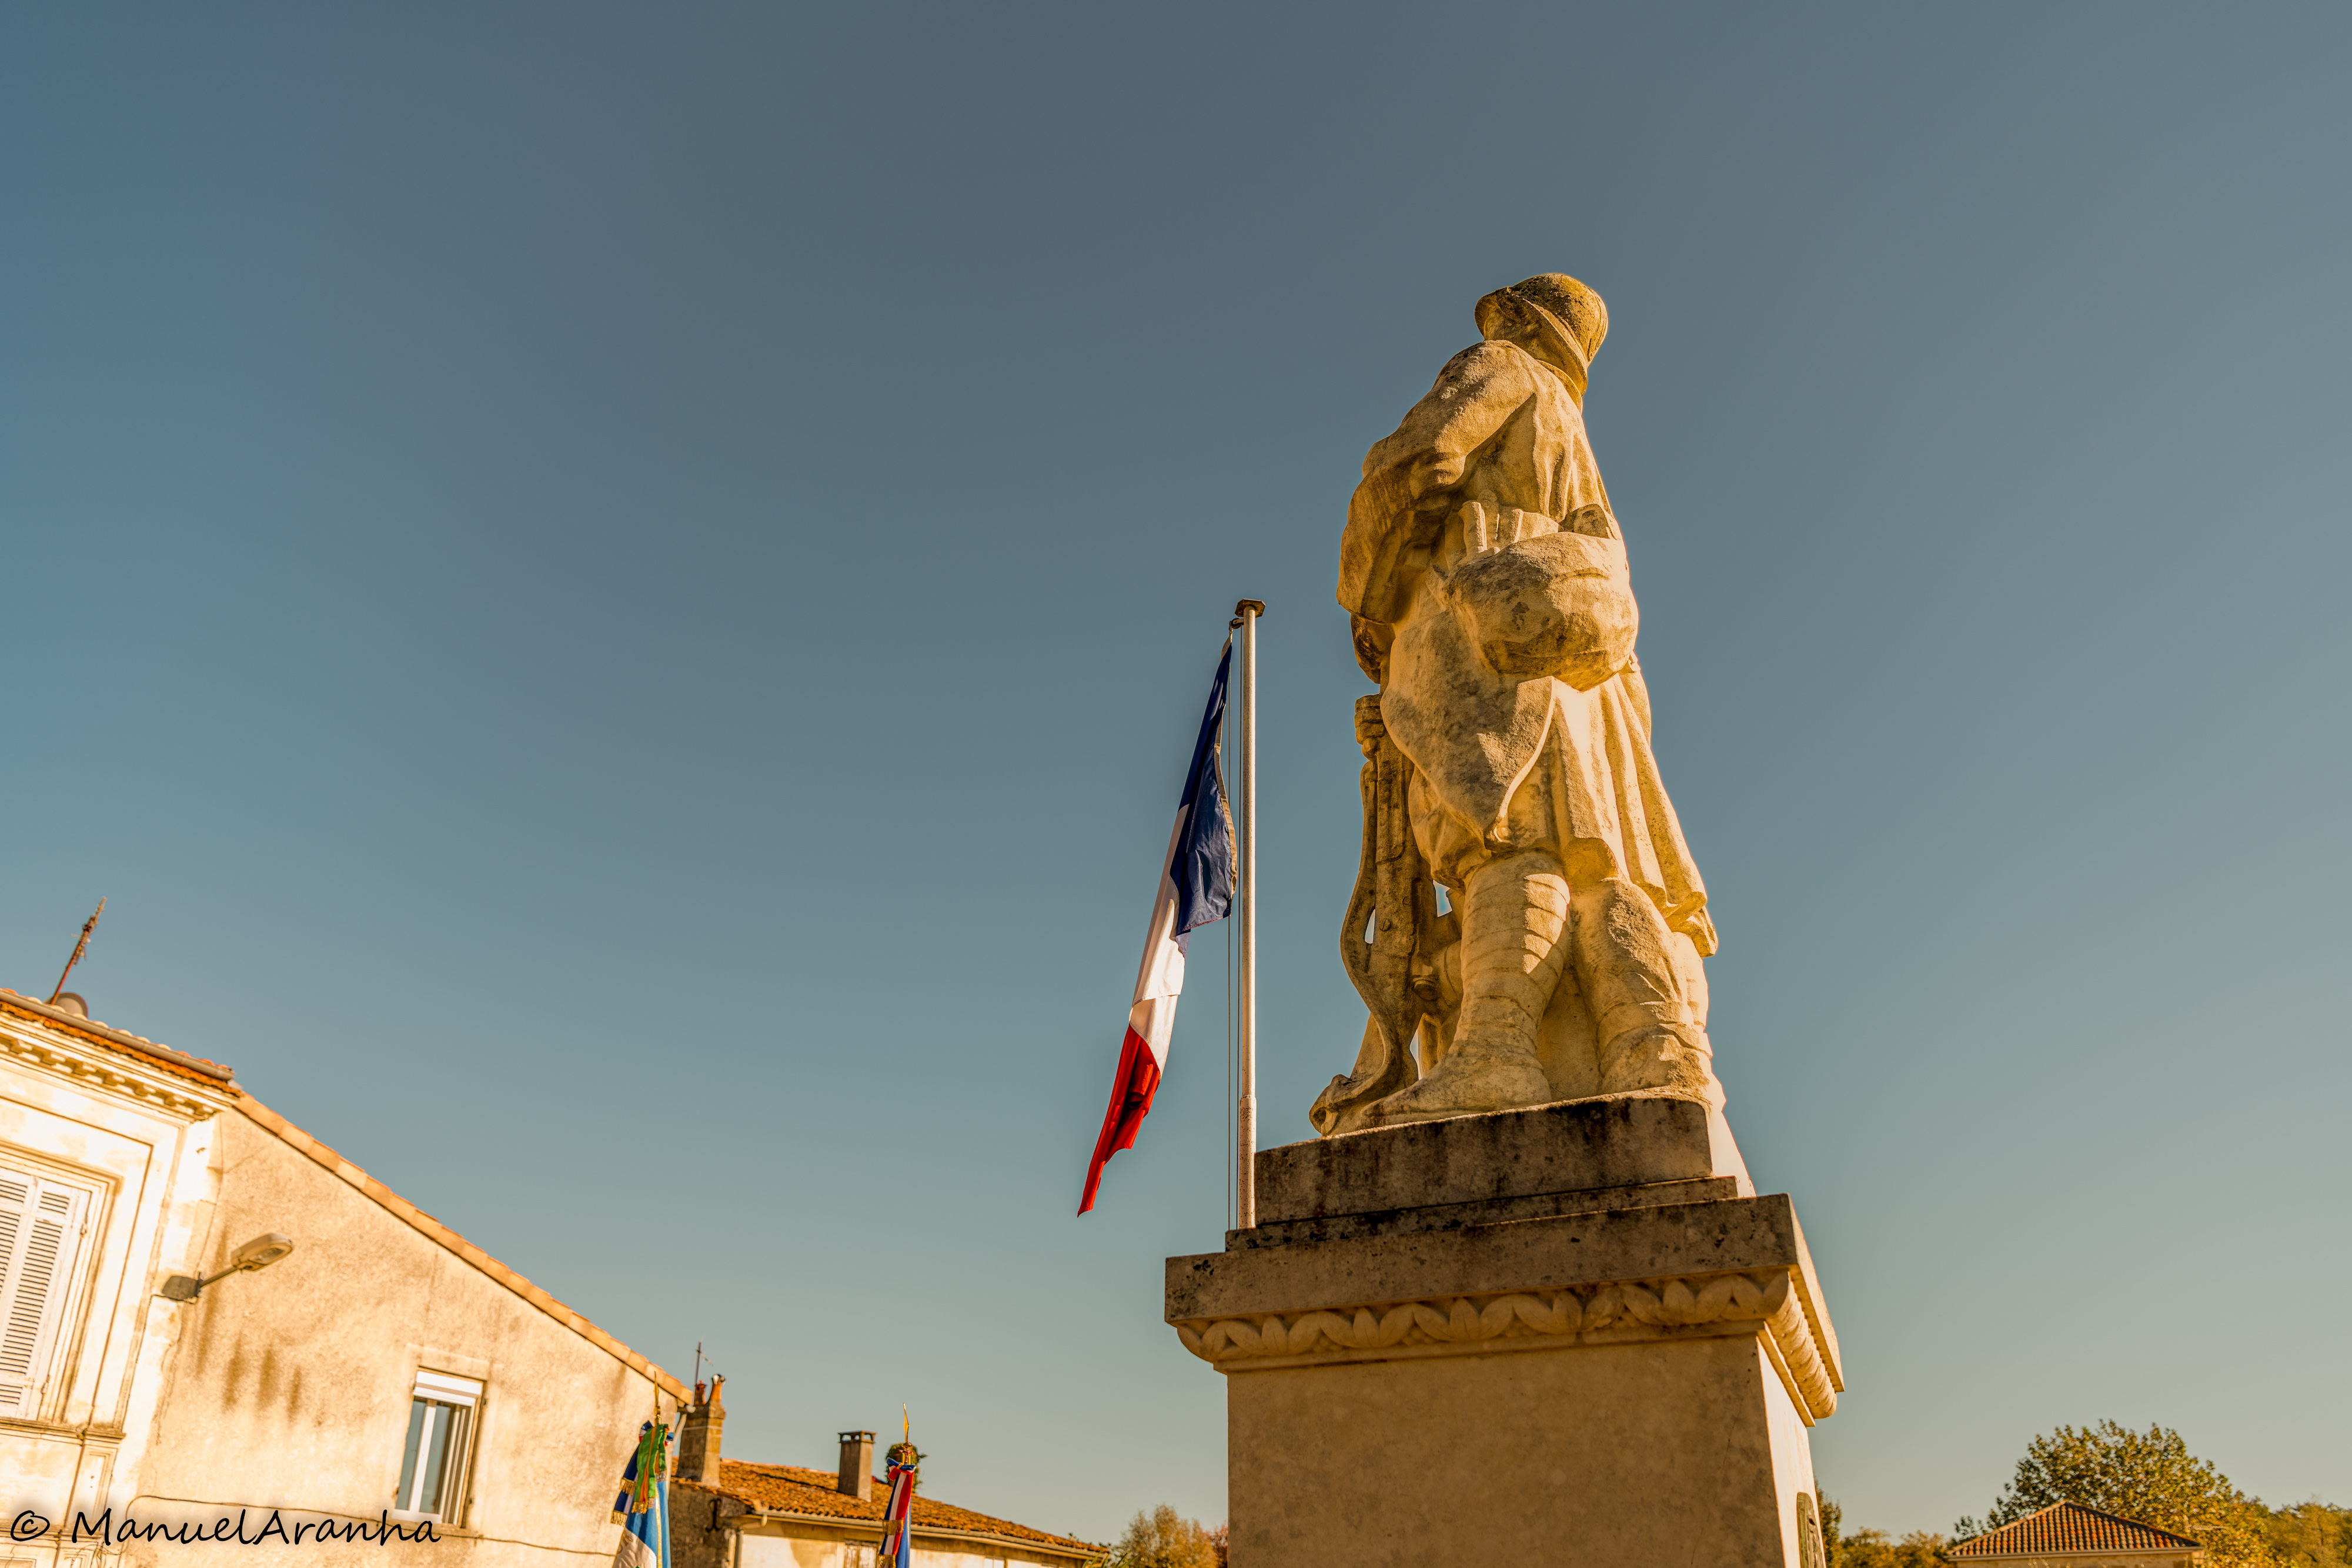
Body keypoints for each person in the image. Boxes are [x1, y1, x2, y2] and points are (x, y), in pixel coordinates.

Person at [1329, 273, 1720, 1127]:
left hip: (1484, 637)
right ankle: (1653, 1046)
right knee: (1591, 857)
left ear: (1513, 322)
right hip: (1577, 669)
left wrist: (1371, 597)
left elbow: (1422, 455)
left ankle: (1497, 1054)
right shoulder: (1572, 430)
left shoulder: (1500, 367)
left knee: (1501, 845)